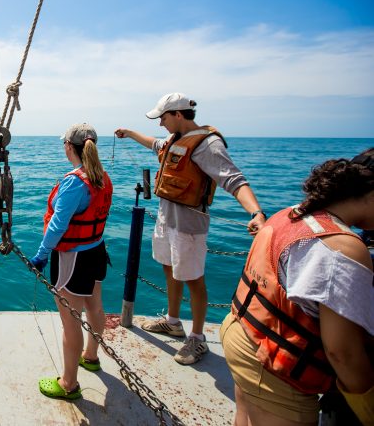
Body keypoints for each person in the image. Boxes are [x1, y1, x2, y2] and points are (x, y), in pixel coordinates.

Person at [221, 148, 374, 426]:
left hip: (240, 335)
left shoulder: (291, 213)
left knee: (244, 418)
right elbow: (342, 352)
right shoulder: (343, 247)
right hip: (272, 365)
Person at [115, 92, 266, 365]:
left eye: (162, 117)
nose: (160, 124)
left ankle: (197, 337)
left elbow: (233, 179)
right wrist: (129, 133)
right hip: (166, 219)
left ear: (178, 114)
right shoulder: (175, 139)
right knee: (168, 267)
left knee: (194, 279)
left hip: (189, 226)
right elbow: (153, 144)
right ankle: (173, 322)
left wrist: (256, 212)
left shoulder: (208, 145)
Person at [29, 123, 113, 400]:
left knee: (70, 321)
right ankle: (90, 356)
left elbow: (57, 226)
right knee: (95, 306)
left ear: (69, 146)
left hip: (73, 258)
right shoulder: (102, 176)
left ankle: (68, 384)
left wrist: (42, 254)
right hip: (97, 251)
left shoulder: (74, 182)